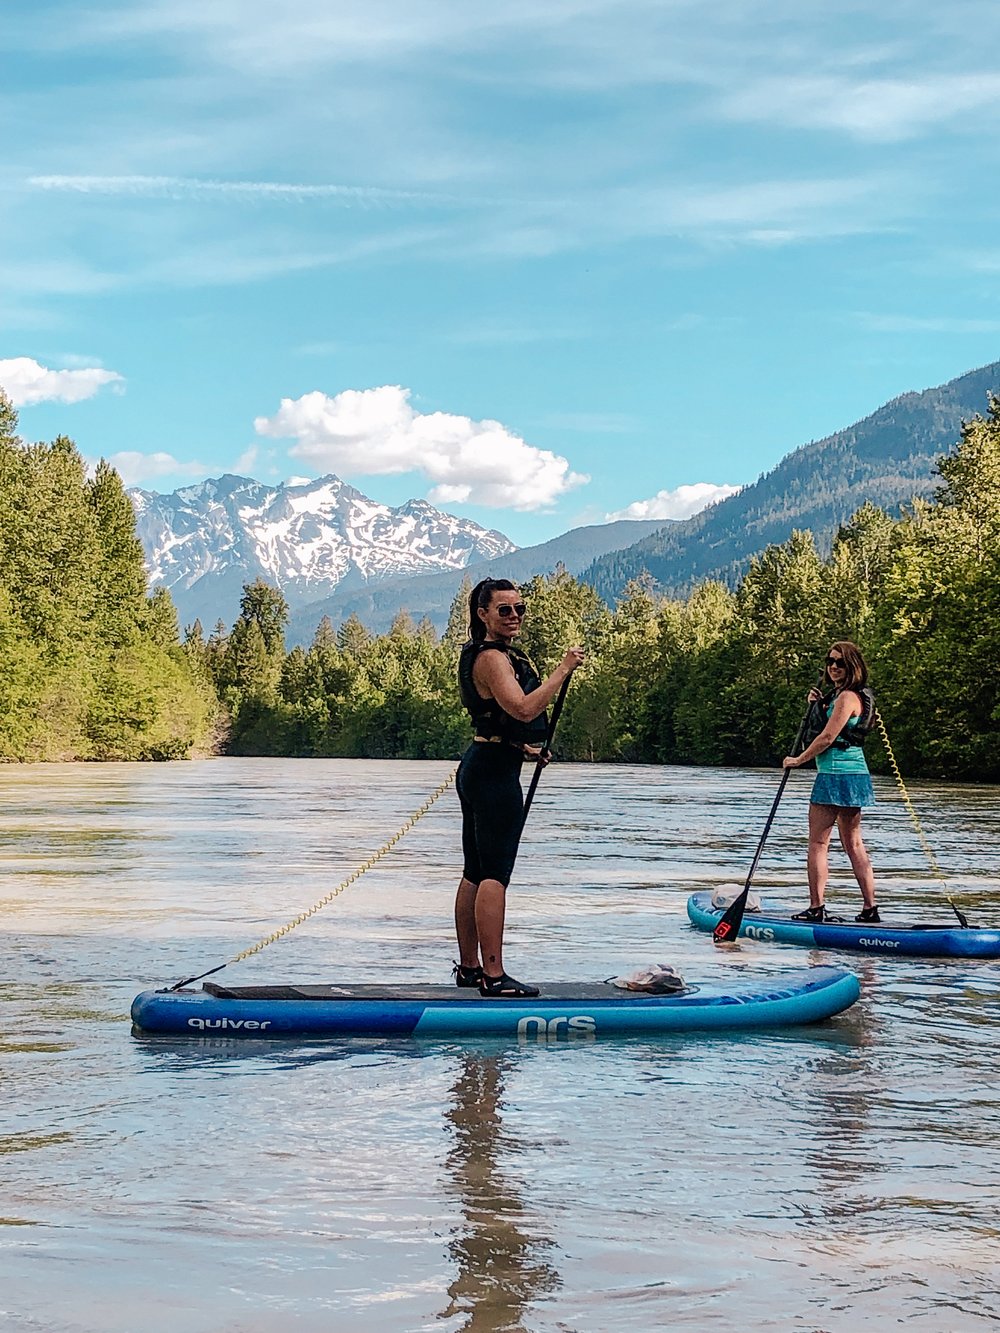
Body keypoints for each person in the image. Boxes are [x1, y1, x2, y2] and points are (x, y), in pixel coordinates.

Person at [453, 578, 585, 997]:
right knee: (494, 874)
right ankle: (494, 976)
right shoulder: (491, 658)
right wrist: (563, 670)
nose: (514, 617)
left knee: (475, 871)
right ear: (483, 615)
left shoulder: (490, 655)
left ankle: (470, 969)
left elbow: (501, 720)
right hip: (491, 775)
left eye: (519, 609)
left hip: (487, 762)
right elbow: (523, 707)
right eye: (504, 610)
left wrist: (523, 747)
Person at [782, 641, 879, 923]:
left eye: (841, 663)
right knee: (854, 844)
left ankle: (816, 908)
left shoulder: (848, 697)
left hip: (836, 775)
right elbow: (827, 726)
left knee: (818, 843)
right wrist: (817, 704)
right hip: (855, 775)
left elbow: (826, 738)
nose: (834, 667)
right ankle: (869, 909)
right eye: (830, 661)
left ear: (853, 667)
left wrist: (797, 760)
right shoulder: (841, 696)